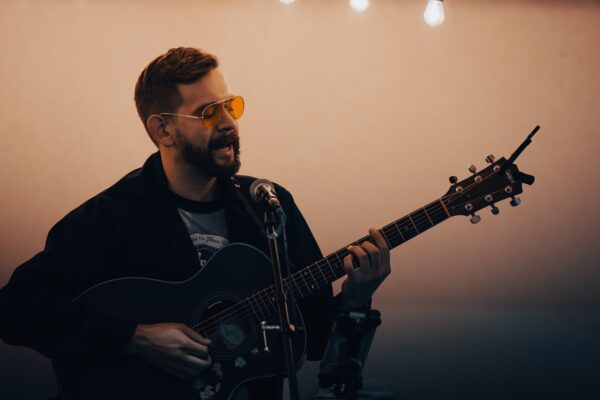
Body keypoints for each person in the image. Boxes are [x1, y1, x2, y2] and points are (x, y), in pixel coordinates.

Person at [0, 47, 391, 399]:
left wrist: (356, 298)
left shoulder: (268, 205)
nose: (227, 123)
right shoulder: (114, 214)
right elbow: (16, 308)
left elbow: (314, 341)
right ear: (162, 130)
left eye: (229, 106)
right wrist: (135, 339)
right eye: (208, 112)